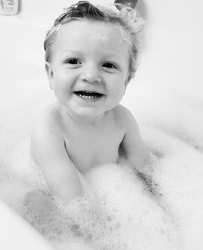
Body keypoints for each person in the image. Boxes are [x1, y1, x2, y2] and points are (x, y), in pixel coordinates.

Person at [29, 0, 150, 243]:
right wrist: (102, 237)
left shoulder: (123, 120)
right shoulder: (49, 128)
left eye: (108, 65)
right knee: (32, 203)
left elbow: (145, 169)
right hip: (55, 194)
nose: (91, 75)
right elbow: (70, 198)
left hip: (108, 191)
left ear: (126, 81)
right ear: (51, 74)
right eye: (74, 61)